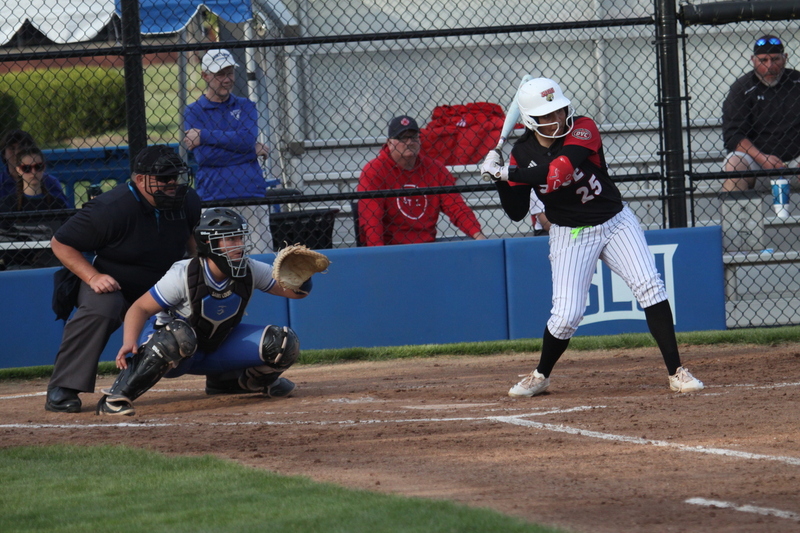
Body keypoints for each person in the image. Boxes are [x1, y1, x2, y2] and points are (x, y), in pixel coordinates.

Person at [480, 77, 704, 397]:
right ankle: (541, 375)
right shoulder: (521, 153)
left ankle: (676, 371)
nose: (557, 118)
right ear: (530, 121)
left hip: (615, 222)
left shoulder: (583, 127)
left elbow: (558, 171)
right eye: (547, 115)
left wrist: (506, 173)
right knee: (566, 316)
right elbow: (516, 211)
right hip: (570, 234)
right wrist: (499, 179)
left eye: (559, 110)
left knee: (650, 286)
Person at [96, 207, 307, 416]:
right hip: (175, 352)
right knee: (179, 334)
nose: (239, 245)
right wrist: (129, 341)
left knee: (283, 342)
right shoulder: (183, 273)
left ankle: (234, 383)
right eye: (230, 239)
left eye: (240, 238)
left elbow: (295, 292)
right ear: (208, 242)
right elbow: (140, 308)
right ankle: (115, 397)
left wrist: (302, 275)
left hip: (218, 345)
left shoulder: (250, 268)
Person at [45, 145, 202, 413]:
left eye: (175, 177)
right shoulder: (110, 208)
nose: (172, 184)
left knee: (209, 298)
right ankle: (64, 387)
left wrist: (201, 276)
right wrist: (93, 276)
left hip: (164, 285)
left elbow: (193, 243)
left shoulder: (186, 200)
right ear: (140, 180)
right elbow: (60, 243)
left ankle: (228, 376)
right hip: (116, 282)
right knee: (102, 307)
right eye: (164, 178)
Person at [183, 49, 273, 253]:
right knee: (219, 256)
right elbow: (205, 156)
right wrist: (250, 152)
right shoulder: (194, 111)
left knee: (260, 256)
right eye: (220, 74)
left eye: (230, 73)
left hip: (250, 192)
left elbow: (247, 139)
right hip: (213, 193)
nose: (227, 79)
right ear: (205, 76)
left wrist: (204, 135)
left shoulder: (246, 105)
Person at [357, 115, 487, 246]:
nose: (409, 142)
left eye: (413, 137)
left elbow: (456, 207)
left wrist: (478, 235)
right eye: (402, 138)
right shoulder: (374, 171)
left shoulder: (435, 169)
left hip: (427, 245)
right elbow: (372, 219)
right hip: (391, 246)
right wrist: (378, 253)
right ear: (389, 143)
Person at [721, 35, 800, 191]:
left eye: (775, 59)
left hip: (796, 161)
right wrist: (762, 158)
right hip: (756, 162)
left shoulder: (797, 82)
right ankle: (736, 208)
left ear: (785, 58)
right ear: (753, 60)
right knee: (734, 164)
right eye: (763, 60)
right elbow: (733, 135)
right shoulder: (742, 88)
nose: (770, 66)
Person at [0, 145, 69, 269]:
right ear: (18, 170)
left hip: (53, 264)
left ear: (44, 167)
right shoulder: (7, 204)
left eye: (38, 167)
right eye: (26, 168)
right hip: (18, 266)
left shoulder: (57, 204)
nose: (33, 172)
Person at [0, 130, 68, 206]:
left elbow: (63, 208)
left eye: (21, 148)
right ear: (4, 154)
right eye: (12, 149)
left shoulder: (50, 182)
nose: (16, 152)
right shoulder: (1, 183)